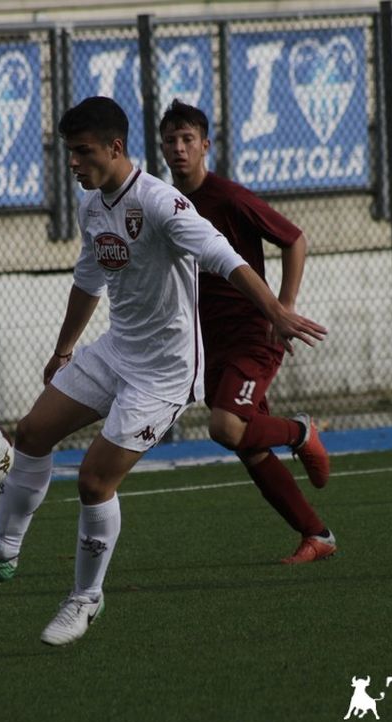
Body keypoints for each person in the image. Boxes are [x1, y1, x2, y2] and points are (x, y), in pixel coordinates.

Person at [0, 96, 327, 646]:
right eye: (69, 152)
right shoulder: (95, 207)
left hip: (164, 373)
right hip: (117, 350)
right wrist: (64, 349)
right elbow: (89, 280)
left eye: (82, 152)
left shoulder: (161, 203)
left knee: (94, 481)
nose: (73, 163)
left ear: (115, 148)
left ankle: (85, 599)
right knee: (32, 433)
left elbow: (224, 257)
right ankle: (2, 550)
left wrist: (276, 311)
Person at [158, 100, 336, 565]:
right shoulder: (163, 203)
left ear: (205, 146)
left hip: (254, 334)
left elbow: (294, 238)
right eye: (171, 141)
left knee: (226, 426)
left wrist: (284, 307)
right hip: (208, 341)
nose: (179, 149)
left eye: (188, 140)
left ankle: (300, 431)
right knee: (247, 445)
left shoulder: (230, 199)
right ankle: (317, 535)